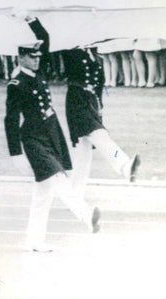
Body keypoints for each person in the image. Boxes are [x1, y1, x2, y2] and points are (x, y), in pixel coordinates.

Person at [5, 19, 100, 252]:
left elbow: (45, 40)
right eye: (32, 56)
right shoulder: (16, 83)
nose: (37, 59)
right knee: (58, 179)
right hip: (33, 139)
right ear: (22, 57)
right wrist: (16, 152)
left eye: (38, 56)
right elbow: (10, 119)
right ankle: (87, 217)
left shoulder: (38, 72)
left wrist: (31, 20)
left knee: (43, 194)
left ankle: (34, 241)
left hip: (51, 134)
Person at [60, 40, 141, 196]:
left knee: (83, 153)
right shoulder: (70, 48)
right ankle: (125, 165)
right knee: (100, 136)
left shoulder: (93, 51)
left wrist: (99, 108)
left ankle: (74, 195)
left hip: (91, 101)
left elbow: (99, 83)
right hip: (77, 100)